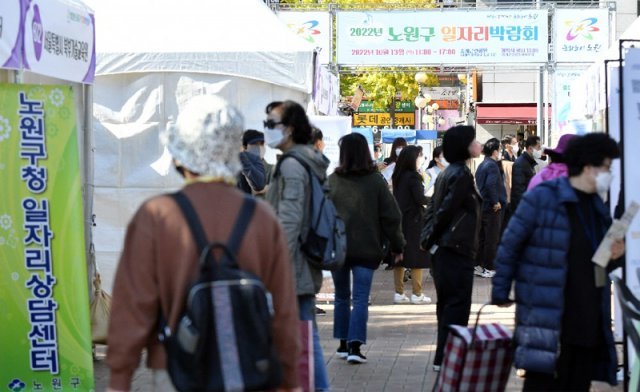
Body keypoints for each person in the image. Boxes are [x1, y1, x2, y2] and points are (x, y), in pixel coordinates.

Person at [106, 96, 300, 392]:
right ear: (232, 152)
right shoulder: (262, 218)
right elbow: (284, 309)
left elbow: (132, 306)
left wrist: (119, 379)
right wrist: (290, 379)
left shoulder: (156, 216)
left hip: (175, 369)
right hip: (251, 370)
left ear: (179, 153)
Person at [492, 133, 624, 391]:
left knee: (577, 383)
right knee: (542, 384)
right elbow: (510, 244)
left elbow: (600, 262)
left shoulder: (597, 205)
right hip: (549, 315)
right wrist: (500, 290)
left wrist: (616, 255)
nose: (610, 174)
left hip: (588, 318)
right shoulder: (543, 197)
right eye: (607, 168)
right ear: (588, 167)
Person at [264, 100, 330, 391]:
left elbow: (289, 220)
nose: (266, 130)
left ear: (289, 129)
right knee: (304, 334)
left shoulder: (292, 164)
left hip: (292, 264)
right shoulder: (304, 159)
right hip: (303, 260)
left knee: (304, 337)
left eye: (271, 124)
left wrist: (275, 264)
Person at [328, 133, 405, 364]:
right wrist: (398, 245)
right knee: (360, 298)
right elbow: (391, 217)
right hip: (367, 248)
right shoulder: (375, 181)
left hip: (338, 249)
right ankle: (354, 347)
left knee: (341, 297)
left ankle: (342, 343)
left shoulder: (332, 180)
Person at [421, 125, 482, 372]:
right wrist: (431, 238)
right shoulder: (461, 175)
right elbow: (444, 211)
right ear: (464, 147)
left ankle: (443, 357)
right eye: (474, 141)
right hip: (454, 249)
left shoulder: (451, 172)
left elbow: (439, 210)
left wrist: (430, 240)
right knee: (456, 305)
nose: (478, 145)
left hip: (447, 249)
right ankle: (450, 358)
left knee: (447, 305)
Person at [392, 145, 432, 305]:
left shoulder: (398, 175)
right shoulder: (414, 177)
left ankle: (399, 292)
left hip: (399, 220)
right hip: (414, 221)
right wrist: (435, 199)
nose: (422, 159)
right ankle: (417, 293)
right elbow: (420, 199)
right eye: (421, 156)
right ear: (413, 158)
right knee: (417, 257)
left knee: (399, 256)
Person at [474, 138, 507, 278]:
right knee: (492, 238)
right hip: (493, 207)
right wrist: (495, 202)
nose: (500, 152)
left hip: (484, 205)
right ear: (495, 151)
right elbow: (490, 185)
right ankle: (489, 267)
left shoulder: (482, 165)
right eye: (499, 149)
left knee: (483, 237)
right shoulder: (492, 165)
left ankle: (478, 265)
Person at [510, 135, 541, 214]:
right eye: (538, 147)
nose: (540, 150)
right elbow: (518, 191)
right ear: (530, 148)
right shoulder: (520, 163)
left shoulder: (529, 162)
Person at [238, 129, 272, 196]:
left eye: (262, 144)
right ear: (244, 147)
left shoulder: (272, 169)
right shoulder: (235, 171)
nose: (259, 147)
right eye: (255, 144)